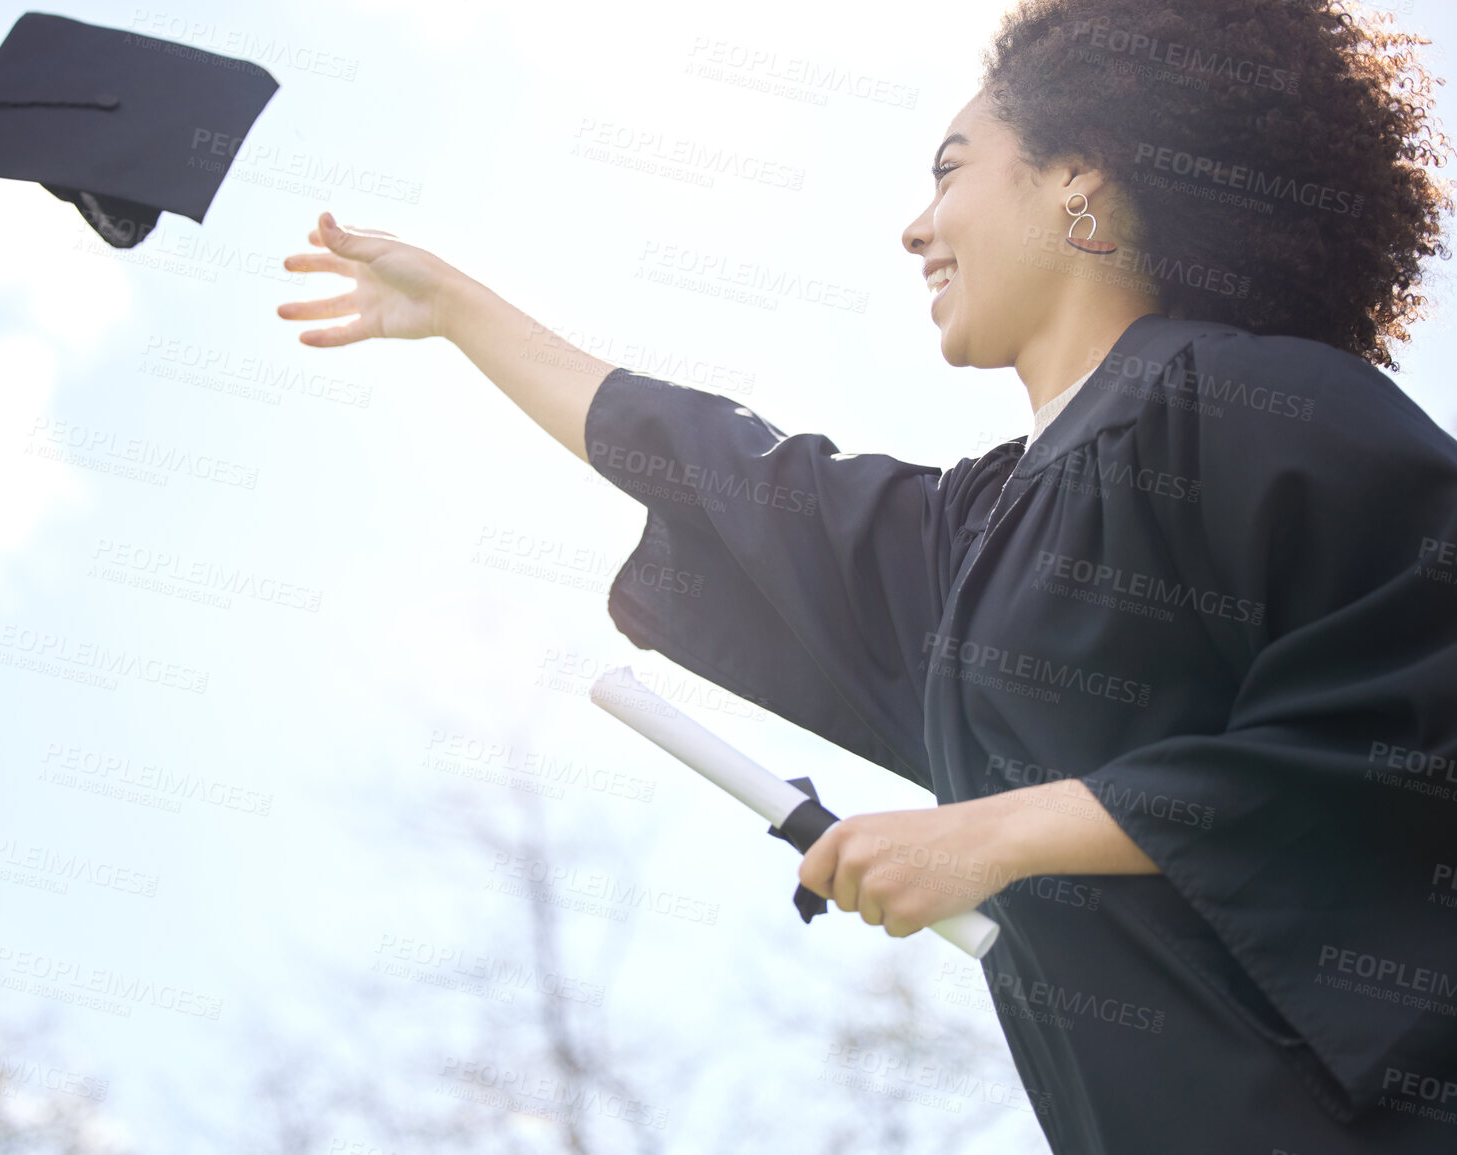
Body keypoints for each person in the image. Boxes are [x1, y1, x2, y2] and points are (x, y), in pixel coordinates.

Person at [274, 2, 1457, 1149]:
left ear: (1078, 183)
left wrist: (1005, 834)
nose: (915, 226)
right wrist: (464, 316)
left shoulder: (1262, 407)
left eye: (950, 171)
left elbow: (1418, 724)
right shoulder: (976, 543)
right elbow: (734, 478)